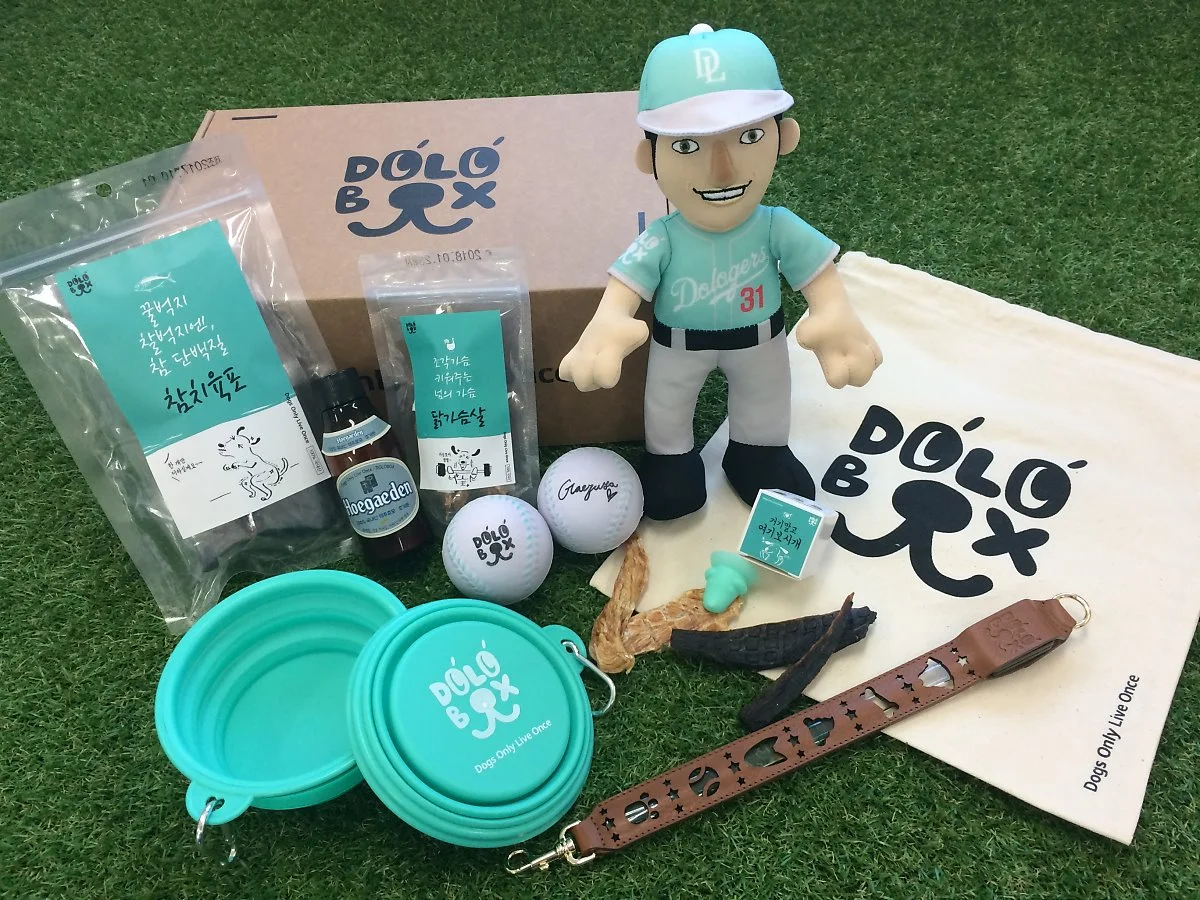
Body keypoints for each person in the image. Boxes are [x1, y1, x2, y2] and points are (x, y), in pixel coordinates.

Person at [559, 23, 882, 521]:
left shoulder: (775, 226)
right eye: (687, 146)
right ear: (649, 157)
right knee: (667, 410)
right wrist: (607, 323)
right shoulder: (665, 236)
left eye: (749, 136)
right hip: (677, 345)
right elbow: (623, 287)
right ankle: (670, 464)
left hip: (760, 342)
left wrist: (834, 314)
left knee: (765, 405)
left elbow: (821, 279)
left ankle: (758, 455)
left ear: (784, 138)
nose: (723, 170)